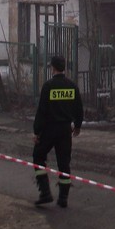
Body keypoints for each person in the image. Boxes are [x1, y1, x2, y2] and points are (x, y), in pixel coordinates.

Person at [32, 55, 83, 208]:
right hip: (65, 131)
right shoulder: (72, 86)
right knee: (64, 163)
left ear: (52, 68)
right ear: (64, 68)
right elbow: (78, 109)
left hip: (49, 129)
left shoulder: (48, 86)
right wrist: (78, 126)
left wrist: (37, 131)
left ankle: (45, 192)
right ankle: (63, 198)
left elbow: (42, 111)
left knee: (38, 156)